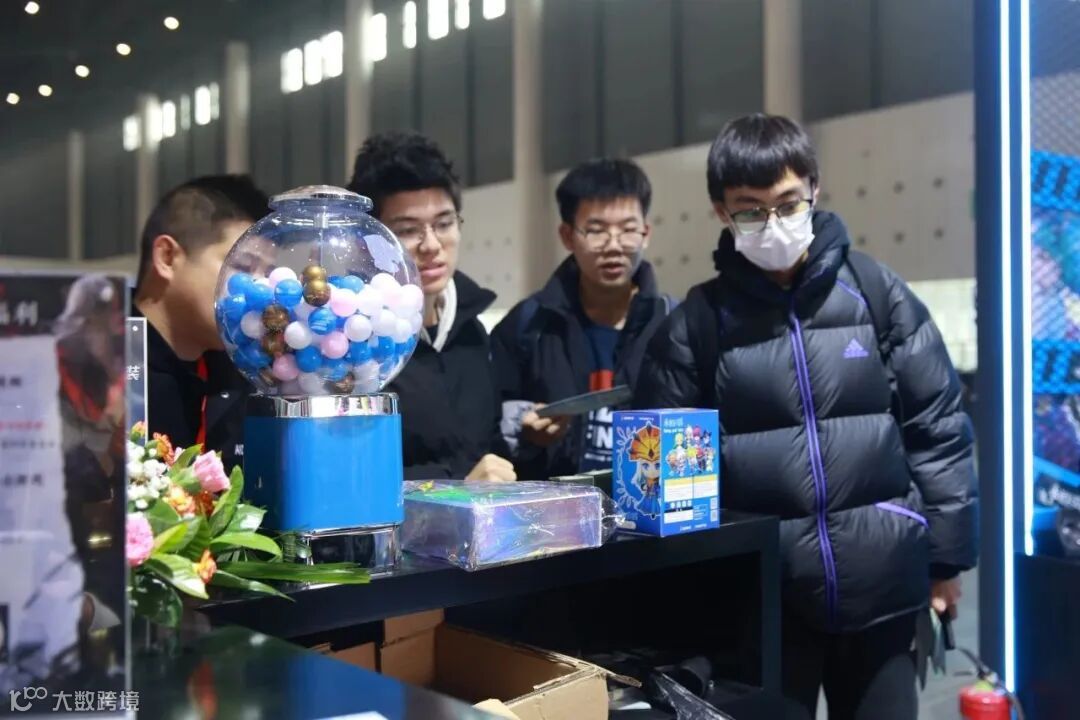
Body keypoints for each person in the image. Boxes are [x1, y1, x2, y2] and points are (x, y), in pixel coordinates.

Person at [634, 114, 978, 720]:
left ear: (814, 190)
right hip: (764, 607)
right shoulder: (695, 328)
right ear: (721, 211)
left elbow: (937, 427)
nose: (772, 223)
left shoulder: (875, 293)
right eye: (750, 210)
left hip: (881, 587)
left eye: (788, 203)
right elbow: (658, 479)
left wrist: (945, 560)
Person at [491, 158, 674, 480]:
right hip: (556, 507)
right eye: (596, 230)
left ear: (646, 233)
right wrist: (525, 434)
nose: (614, 245)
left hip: (648, 503)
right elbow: (489, 426)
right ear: (567, 236)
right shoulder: (529, 325)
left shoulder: (673, 324)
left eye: (628, 229)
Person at [347, 132, 514, 481]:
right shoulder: (352, 342)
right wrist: (457, 489)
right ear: (366, 242)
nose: (432, 245)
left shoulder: (472, 331)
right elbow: (349, 474)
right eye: (408, 230)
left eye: (444, 223)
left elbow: (488, 448)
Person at [133, 175, 270, 471]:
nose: (259, 290)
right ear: (167, 257)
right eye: (243, 267)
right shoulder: (103, 366)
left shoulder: (247, 370)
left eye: (266, 274)